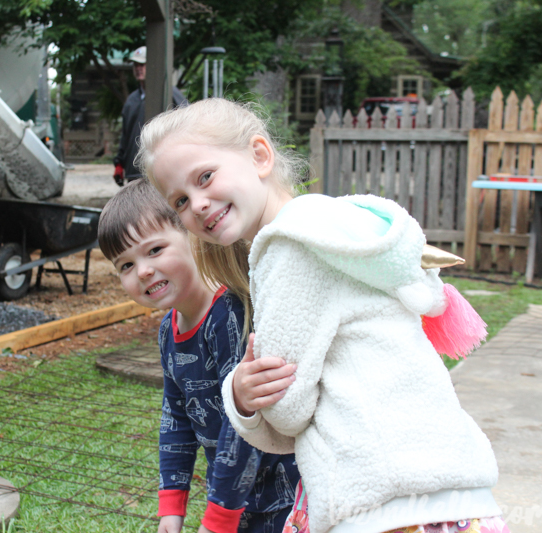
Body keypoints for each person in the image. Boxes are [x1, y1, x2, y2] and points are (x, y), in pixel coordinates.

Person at [137, 98, 510, 533]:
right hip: (445, 488)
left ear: (259, 155)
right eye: (181, 200)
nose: (197, 204)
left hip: (383, 501)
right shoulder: (338, 223)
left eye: (205, 177)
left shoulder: (288, 248)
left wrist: (240, 394)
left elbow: (289, 409)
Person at [98, 178, 301, 533]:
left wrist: (218, 521)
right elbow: (176, 417)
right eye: (125, 265)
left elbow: (244, 425)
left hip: (286, 502)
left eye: (155, 250)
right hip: (236, 503)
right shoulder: (168, 330)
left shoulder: (229, 316)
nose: (142, 270)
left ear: (192, 236)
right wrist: (171, 506)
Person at [113, 46, 186, 186]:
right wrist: (119, 163)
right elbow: (126, 136)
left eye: (142, 64)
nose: (138, 68)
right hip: (134, 172)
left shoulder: (170, 94)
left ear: (152, 66)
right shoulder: (131, 101)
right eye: (135, 65)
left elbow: (188, 125)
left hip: (161, 171)